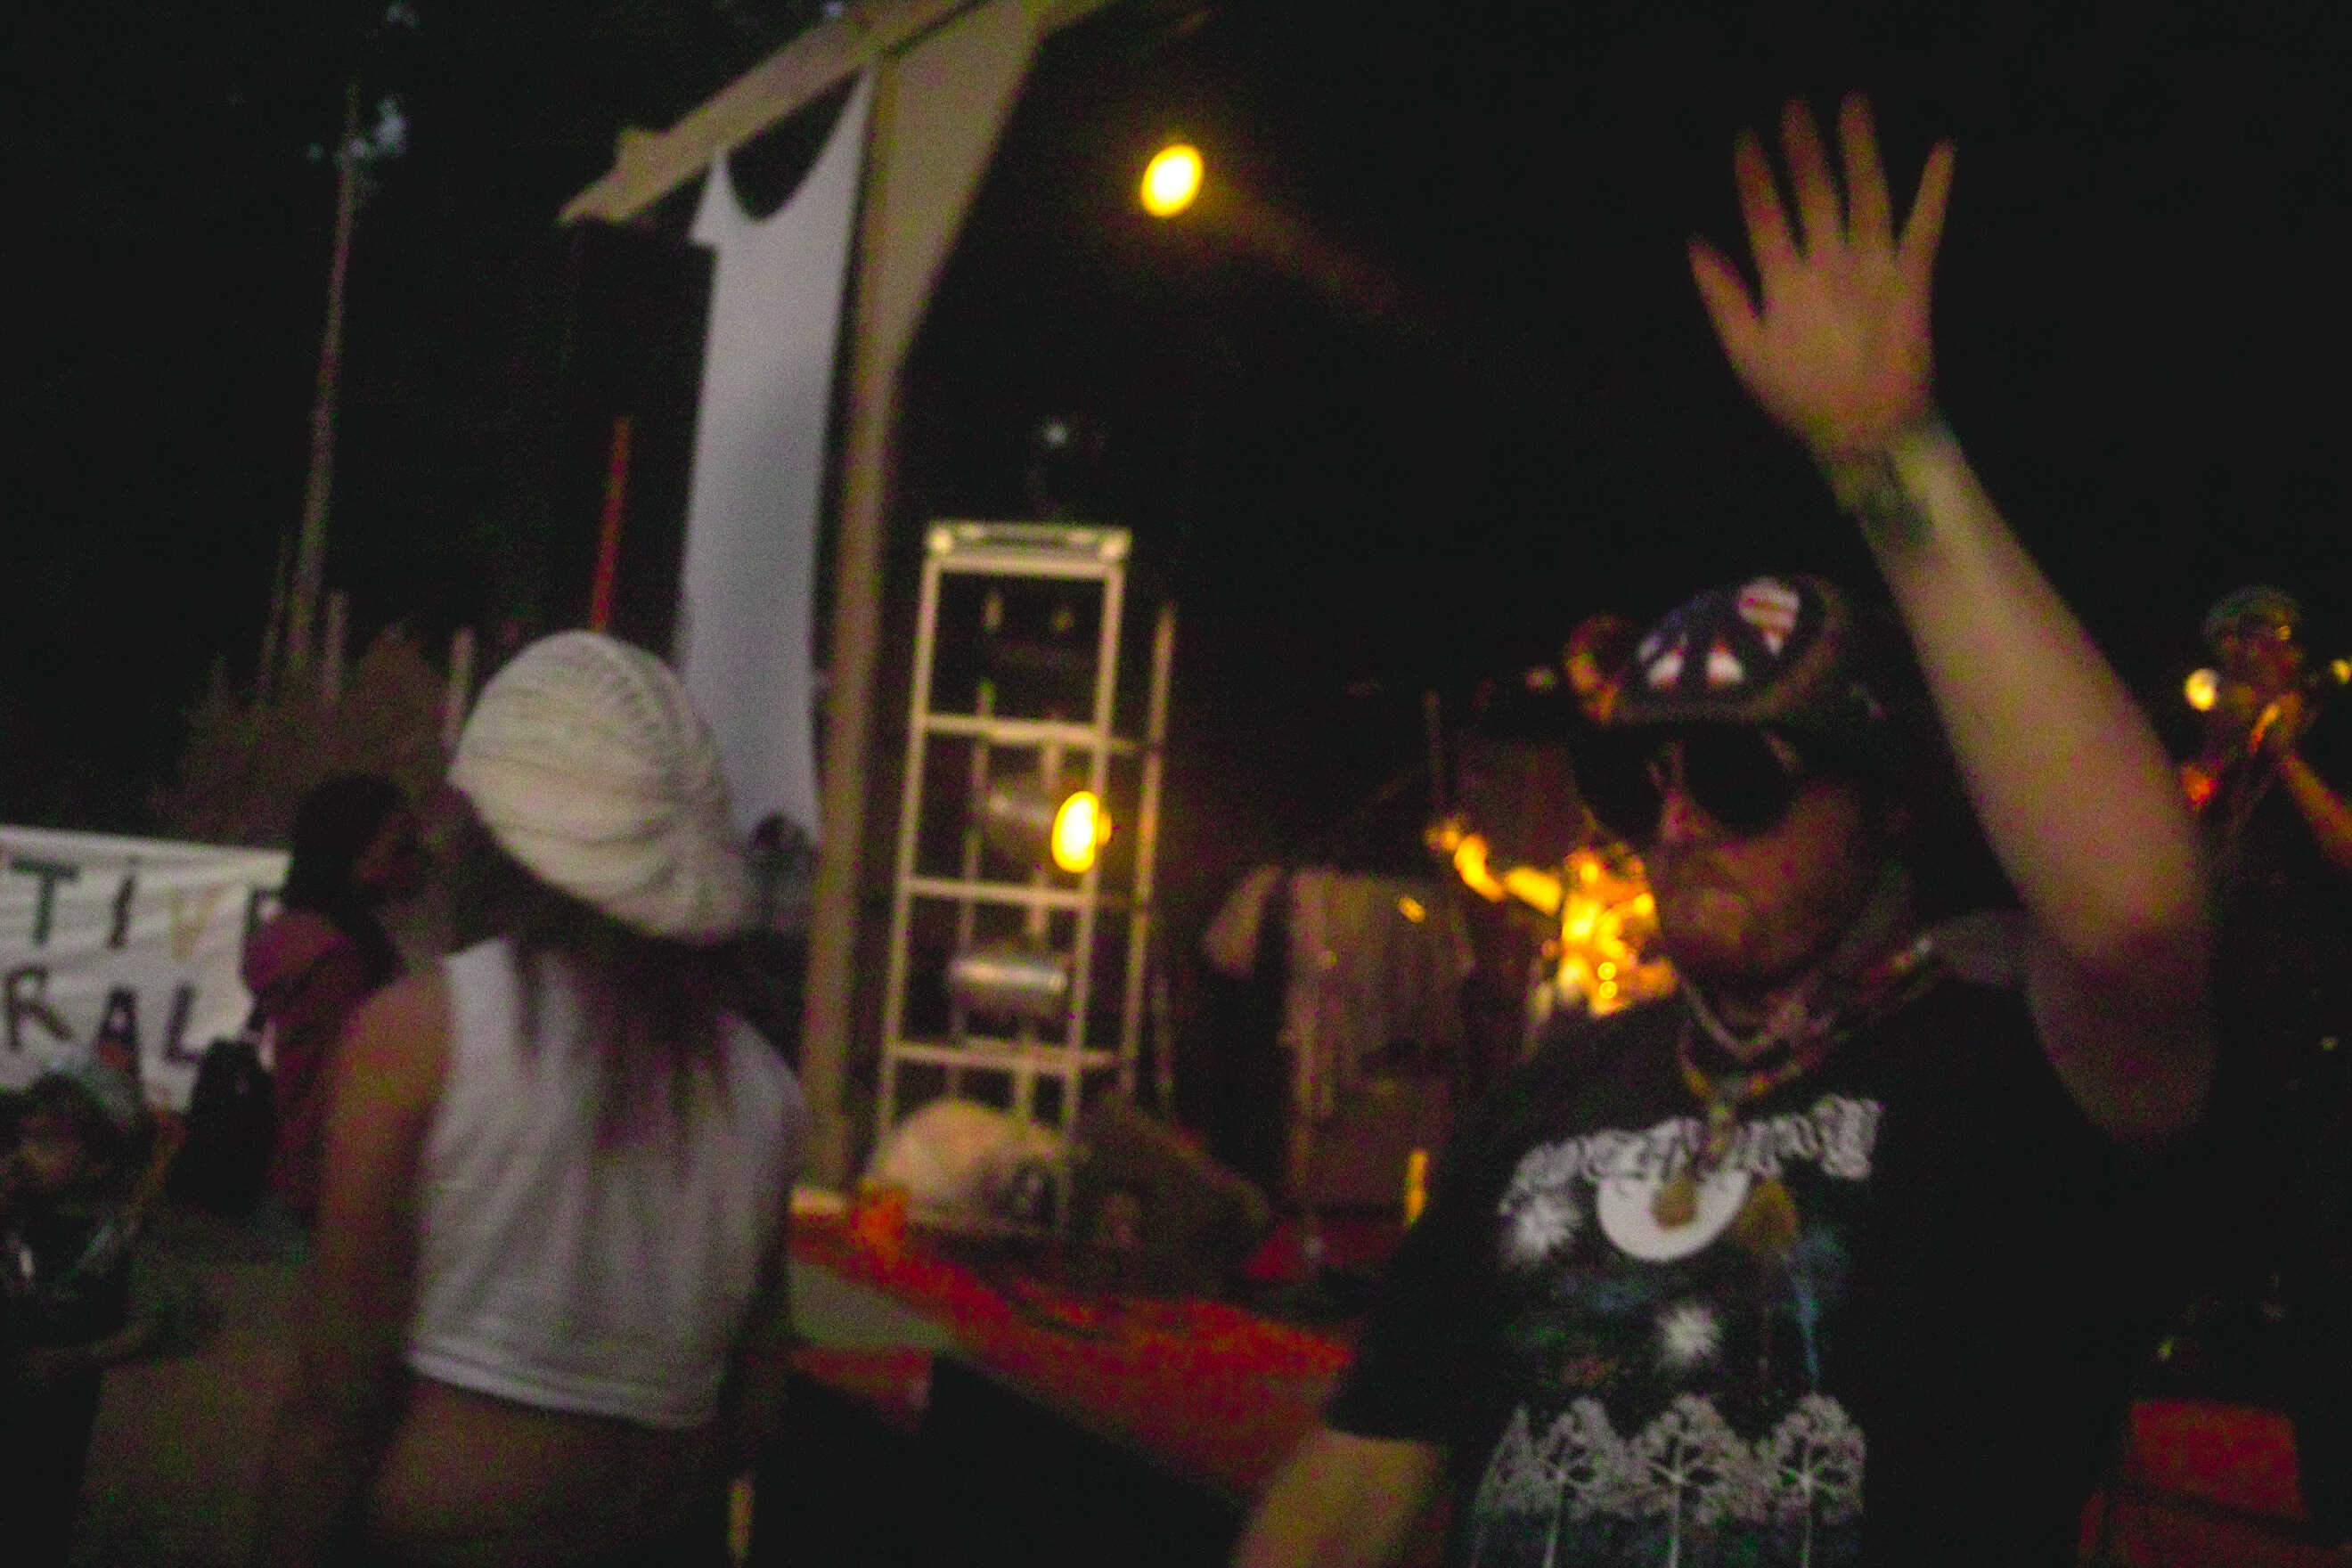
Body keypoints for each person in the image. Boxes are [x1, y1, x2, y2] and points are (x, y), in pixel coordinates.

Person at [1235, 94, 2212, 1568]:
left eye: (1740, 780)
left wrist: (1894, 459)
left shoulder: (2013, 1075)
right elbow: (1364, 1478)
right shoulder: (1547, 1101)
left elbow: (2138, 913)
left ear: (1883, 804)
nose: (1678, 823)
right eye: (1640, 789)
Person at [253, 632, 809, 1568]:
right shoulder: (763, 1087)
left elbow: (334, 1403)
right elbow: (755, 1407)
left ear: (497, 837)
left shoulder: (418, 1037)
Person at [2, 1062, 177, 1565]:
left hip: (59, 1397)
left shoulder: (123, 1236)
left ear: (100, 1162)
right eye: (23, 1139)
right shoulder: (18, 1209)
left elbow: (153, 1325)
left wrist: (68, 1362)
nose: (24, 1155)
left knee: (38, 1502)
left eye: (47, 1144)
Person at [241, 773, 427, 1244]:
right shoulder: (336, 959)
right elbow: (341, 1086)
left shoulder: (312, 937)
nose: (417, 862)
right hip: (327, 1194)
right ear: (352, 852)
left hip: (305, 1185)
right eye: (400, 848)